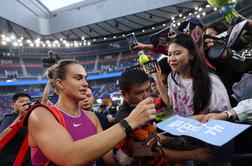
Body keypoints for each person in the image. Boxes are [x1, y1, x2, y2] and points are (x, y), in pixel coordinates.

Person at [28, 59, 156, 165]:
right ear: (60, 84)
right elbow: (69, 157)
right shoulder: (41, 114)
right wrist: (130, 121)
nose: (85, 83)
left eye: (85, 78)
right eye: (78, 78)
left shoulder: (92, 117)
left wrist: (131, 157)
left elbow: (109, 159)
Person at [114, 68, 211, 165]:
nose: (146, 95)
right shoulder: (126, 119)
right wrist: (193, 154)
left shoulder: (144, 108)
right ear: (124, 94)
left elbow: (156, 137)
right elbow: (155, 152)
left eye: (147, 90)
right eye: (139, 93)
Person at [154, 33, 231, 117]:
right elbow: (169, 102)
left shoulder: (211, 81)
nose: (171, 59)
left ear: (192, 54)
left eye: (177, 53)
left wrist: (191, 120)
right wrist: (157, 78)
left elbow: (221, 116)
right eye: (169, 54)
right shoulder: (172, 77)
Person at [0, 93, 31, 165]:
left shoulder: (29, 119)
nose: (25, 103)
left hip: (27, 160)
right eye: (21, 101)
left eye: (27, 101)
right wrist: (19, 116)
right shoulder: (9, 119)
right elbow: (3, 138)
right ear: (13, 104)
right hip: (12, 161)